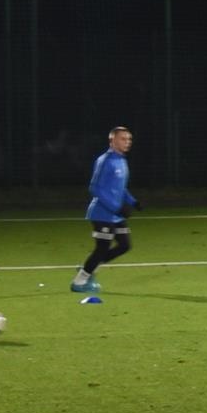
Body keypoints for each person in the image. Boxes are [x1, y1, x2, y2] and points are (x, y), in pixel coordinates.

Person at [72, 126, 140, 296]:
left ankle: (89, 267)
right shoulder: (105, 160)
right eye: (123, 139)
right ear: (113, 140)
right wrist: (116, 207)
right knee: (102, 248)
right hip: (102, 214)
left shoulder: (122, 161)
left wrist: (133, 201)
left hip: (115, 216)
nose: (127, 142)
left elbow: (120, 188)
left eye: (129, 139)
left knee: (125, 245)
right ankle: (79, 281)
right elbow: (94, 188)